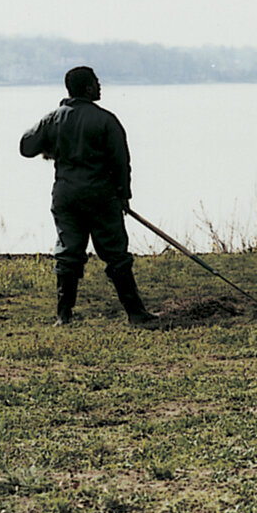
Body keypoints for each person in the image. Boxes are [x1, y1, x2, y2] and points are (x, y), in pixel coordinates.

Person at [19, 65, 153, 328]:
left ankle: (63, 316)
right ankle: (136, 314)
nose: (100, 86)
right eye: (97, 82)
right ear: (88, 88)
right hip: (101, 197)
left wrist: (51, 145)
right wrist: (124, 196)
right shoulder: (106, 120)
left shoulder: (52, 119)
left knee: (68, 254)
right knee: (116, 255)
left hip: (66, 197)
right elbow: (121, 162)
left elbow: (26, 146)